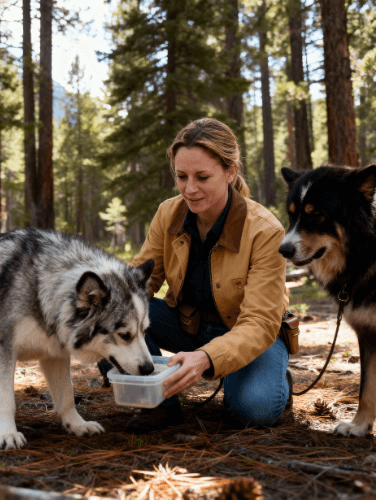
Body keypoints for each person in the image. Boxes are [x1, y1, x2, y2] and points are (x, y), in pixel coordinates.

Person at [99, 117, 291, 433]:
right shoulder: (168, 213)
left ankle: (273, 378)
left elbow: (259, 322)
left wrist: (206, 358)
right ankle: (162, 407)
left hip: (251, 332)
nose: (190, 189)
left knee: (255, 410)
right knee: (112, 328)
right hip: (186, 325)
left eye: (202, 177)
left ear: (230, 171)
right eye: (181, 176)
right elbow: (136, 285)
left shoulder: (265, 231)